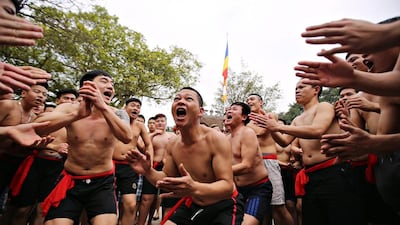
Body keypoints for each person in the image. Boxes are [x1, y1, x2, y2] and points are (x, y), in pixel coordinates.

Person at [249, 79, 366, 225]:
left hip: (333, 171)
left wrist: (278, 127)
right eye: (296, 88)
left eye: (302, 87)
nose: (297, 91)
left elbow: (318, 130)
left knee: (341, 217)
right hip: (310, 174)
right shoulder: (298, 119)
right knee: (313, 218)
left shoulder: (324, 107)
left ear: (316, 89)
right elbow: (284, 141)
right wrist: (270, 127)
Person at [126, 87, 244, 225]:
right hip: (193, 204)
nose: (180, 101)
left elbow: (227, 187)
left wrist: (194, 188)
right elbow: (166, 179)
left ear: (201, 112)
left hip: (224, 206)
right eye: (177, 99)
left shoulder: (216, 139)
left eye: (188, 99)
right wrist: (148, 171)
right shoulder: (173, 144)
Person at [33, 70, 132, 225]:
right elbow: (37, 127)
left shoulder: (118, 113)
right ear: (87, 85)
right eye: (105, 81)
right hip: (72, 180)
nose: (111, 87)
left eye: (112, 84)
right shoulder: (69, 108)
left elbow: (126, 136)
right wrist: (77, 115)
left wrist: (103, 107)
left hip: (102, 182)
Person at [2, 88, 78, 225]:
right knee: (21, 208)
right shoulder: (45, 118)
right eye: (66, 98)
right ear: (58, 100)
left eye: (73, 99)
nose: (69, 102)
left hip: (56, 168)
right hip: (34, 163)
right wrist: (53, 147)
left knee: (42, 210)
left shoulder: (76, 123)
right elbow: (27, 141)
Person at [296, 17, 400, 97]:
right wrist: (353, 78)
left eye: (371, 48)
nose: (364, 57)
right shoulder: (387, 95)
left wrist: (386, 32)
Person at [245, 93, 295, 225]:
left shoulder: (270, 116)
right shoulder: (247, 123)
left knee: (278, 206)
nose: (249, 101)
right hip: (254, 165)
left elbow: (262, 132)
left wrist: (248, 132)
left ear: (261, 102)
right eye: (247, 100)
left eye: (252, 99)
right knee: (263, 209)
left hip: (269, 162)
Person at [225, 102, 272, 225]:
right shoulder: (226, 139)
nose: (229, 111)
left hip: (258, 188)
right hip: (237, 190)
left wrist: (221, 171)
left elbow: (247, 165)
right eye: (228, 109)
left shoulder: (248, 133)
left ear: (244, 117)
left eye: (234, 109)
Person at [113, 97, 153, 225]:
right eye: (133, 105)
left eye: (138, 106)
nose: (136, 108)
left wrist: (149, 159)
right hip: (110, 165)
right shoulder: (114, 120)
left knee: (130, 205)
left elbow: (148, 144)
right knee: (109, 206)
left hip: (129, 167)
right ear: (125, 107)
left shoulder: (140, 126)